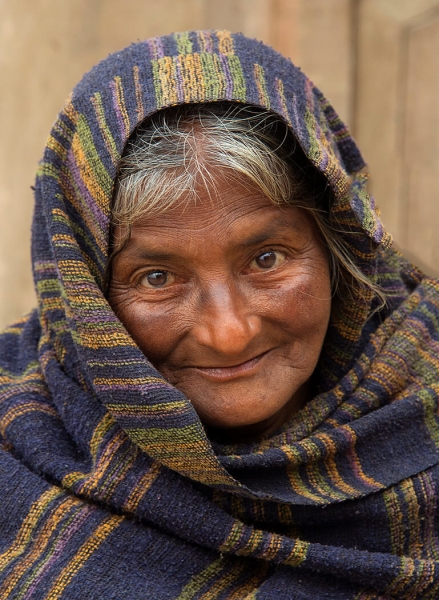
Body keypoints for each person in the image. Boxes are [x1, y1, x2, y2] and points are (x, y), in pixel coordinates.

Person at [0, 30, 438, 599]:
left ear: (338, 247)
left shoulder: (420, 398)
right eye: (156, 278)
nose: (229, 333)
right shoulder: (18, 448)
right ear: (84, 295)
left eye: (267, 258)